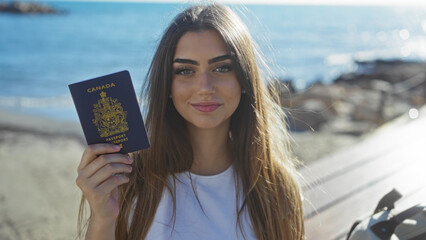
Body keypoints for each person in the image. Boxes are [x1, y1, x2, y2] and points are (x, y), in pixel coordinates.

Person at [76, 3, 304, 240]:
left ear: (244, 79)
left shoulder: (276, 187)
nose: (205, 87)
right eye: (185, 71)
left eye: (222, 67)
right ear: (167, 85)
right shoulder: (130, 182)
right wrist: (102, 219)